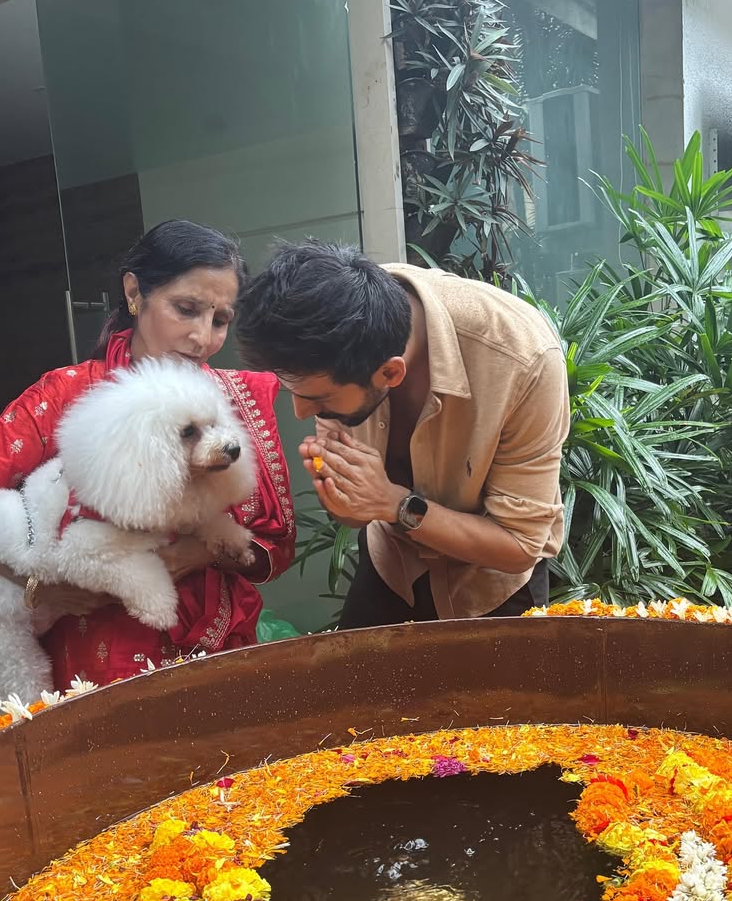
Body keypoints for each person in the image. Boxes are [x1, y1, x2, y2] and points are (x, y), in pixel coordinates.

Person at [0, 221, 295, 690]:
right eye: (186, 309)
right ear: (135, 291)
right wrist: (38, 584)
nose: (203, 338)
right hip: (96, 670)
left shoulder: (236, 401)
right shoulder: (68, 395)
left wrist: (192, 554)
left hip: (220, 653)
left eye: (220, 320)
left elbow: (274, 547)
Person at [236, 241, 569, 628]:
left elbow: (519, 545)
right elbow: (355, 516)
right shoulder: (332, 332)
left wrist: (393, 503)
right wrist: (346, 498)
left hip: (494, 580)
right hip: (392, 565)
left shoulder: (523, 359)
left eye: (318, 398)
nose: (301, 412)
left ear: (391, 373)